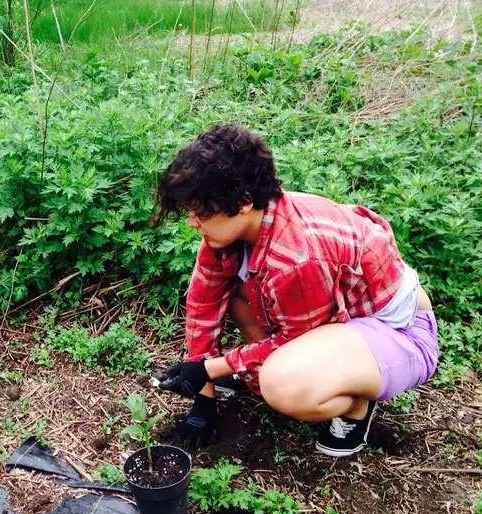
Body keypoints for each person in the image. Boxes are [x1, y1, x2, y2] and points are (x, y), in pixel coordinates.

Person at [154, 124, 438, 457]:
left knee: (281, 384)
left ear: (243, 202)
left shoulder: (294, 257)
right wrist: (204, 397)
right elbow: (204, 302)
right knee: (238, 299)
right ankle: (277, 376)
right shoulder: (232, 233)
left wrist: (209, 369)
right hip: (339, 323)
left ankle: (356, 408)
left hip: (401, 334)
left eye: (200, 211)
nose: (193, 222)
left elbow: (293, 339)